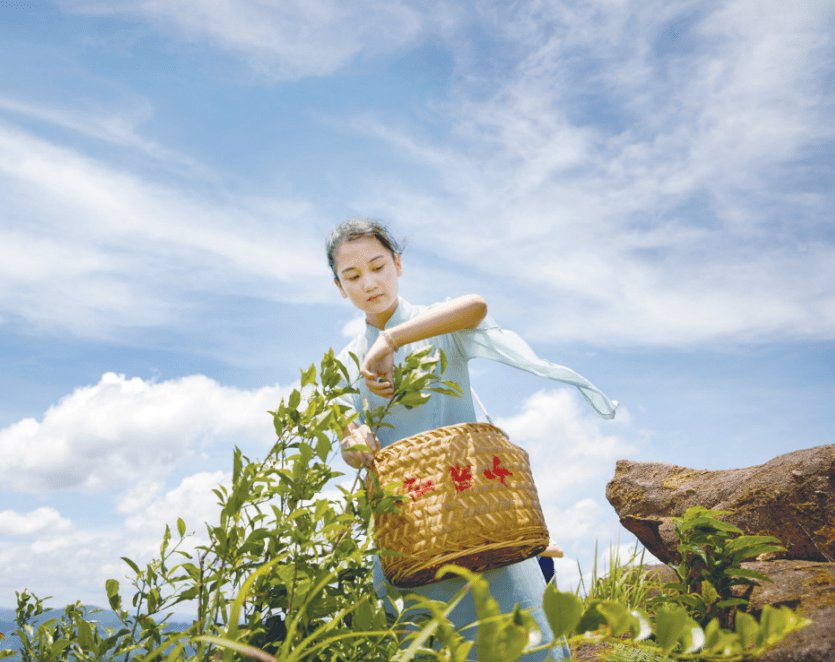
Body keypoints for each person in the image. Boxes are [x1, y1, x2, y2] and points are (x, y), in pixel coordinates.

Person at [327, 218, 617, 661]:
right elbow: (348, 441)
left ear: (398, 265)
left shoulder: (433, 326)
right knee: (439, 644)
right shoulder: (345, 362)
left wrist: (389, 339)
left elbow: (476, 305)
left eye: (377, 266)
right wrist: (356, 442)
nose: (368, 283)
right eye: (352, 276)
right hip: (414, 533)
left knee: (523, 638)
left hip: (482, 515)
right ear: (338, 286)